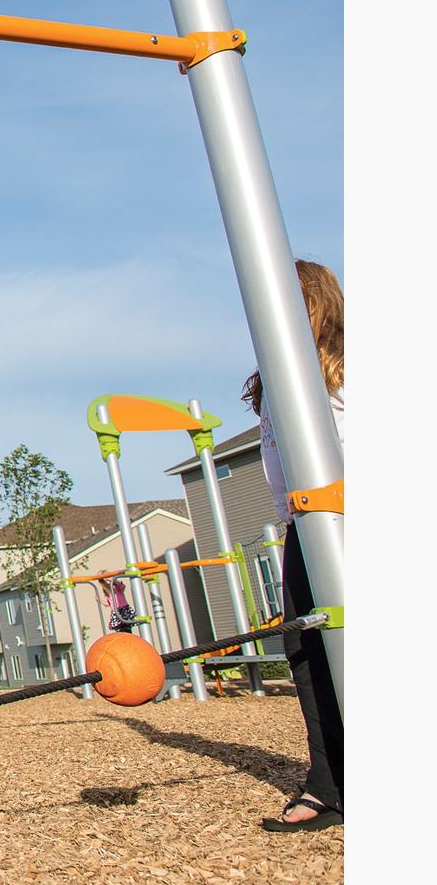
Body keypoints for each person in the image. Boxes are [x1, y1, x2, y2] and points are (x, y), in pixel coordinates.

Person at [245, 259, 343, 833]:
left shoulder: (344, 370)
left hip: (346, 518)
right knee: (305, 656)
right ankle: (328, 786)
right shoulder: (274, 379)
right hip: (301, 527)